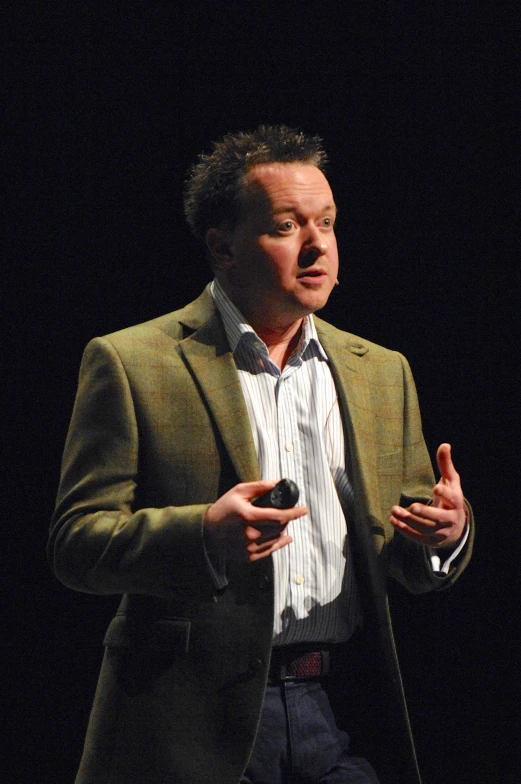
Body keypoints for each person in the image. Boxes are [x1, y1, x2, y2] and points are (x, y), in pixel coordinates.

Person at [49, 125, 473, 784]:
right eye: (285, 226)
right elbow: (76, 545)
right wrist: (203, 535)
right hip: (192, 719)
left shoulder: (380, 372)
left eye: (326, 222)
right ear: (223, 246)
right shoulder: (133, 362)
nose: (317, 245)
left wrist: (445, 534)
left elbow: (408, 559)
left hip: (344, 711)